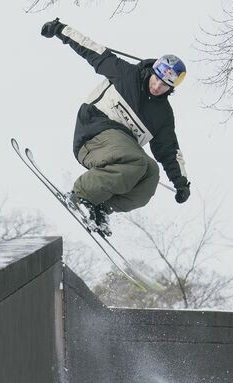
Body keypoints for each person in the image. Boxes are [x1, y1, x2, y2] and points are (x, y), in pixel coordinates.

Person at [41, 18, 191, 236]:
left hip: (119, 155)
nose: (158, 86)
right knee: (138, 160)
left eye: (165, 85)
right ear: (153, 71)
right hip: (93, 133)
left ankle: (101, 206)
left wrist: (182, 183)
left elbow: (170, 151)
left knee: (150, 174)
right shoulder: (126, 74)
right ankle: (82, 193)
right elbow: (92, 50)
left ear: (172, 87)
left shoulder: (163, 117)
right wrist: (59, 29)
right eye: (156, 79)